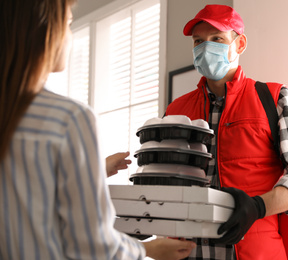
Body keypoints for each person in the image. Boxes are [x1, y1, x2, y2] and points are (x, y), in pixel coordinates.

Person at [0, 0, 195, 259]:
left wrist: (94, 170)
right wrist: (147, 249)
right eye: (68, 24)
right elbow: (92, 246)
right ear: (43, 29)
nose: (68, 36)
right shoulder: (69, 119)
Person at [164, 4, 288, 260]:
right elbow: (166, 180)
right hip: (187, 253)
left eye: (217, 39)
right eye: (198, 41)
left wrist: (257, 207)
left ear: (240, 44)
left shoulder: (274, 97)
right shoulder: (176, 110)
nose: (205, 47)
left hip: (255, 252)